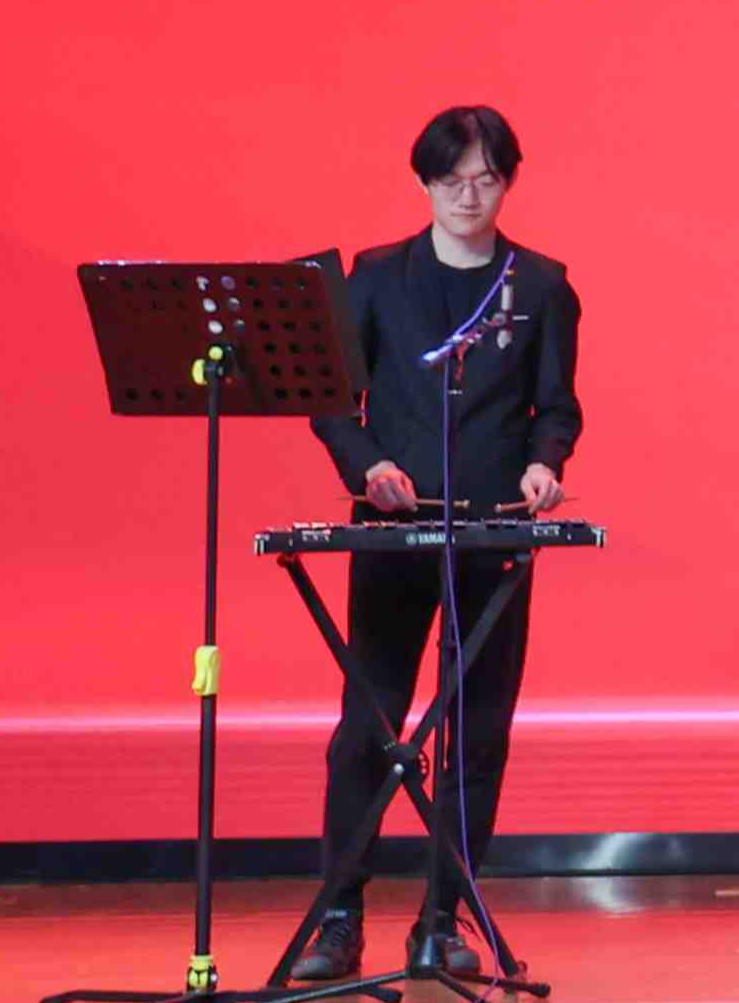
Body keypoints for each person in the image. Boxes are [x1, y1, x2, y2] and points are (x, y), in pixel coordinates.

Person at [281, 105, 585, 986]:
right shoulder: (377, 277)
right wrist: (368, 465)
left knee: (476, 732)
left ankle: (442, 920)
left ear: (507, 183)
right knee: (367, 727)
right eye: (451, 180)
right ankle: (340, 917)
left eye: (486, 179)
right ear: (424, 182)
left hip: (494, 529)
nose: (468, 196)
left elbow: (557, 405)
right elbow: (333, 402)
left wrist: (545, 463)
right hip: (393, 526)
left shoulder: (541, 285)